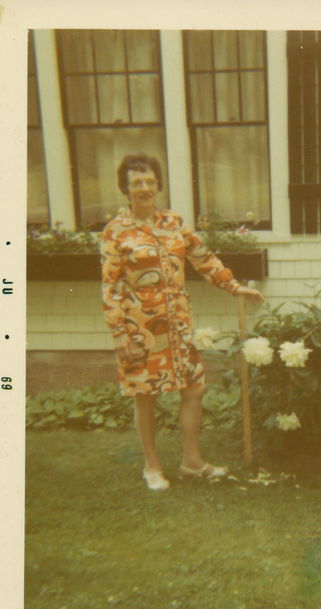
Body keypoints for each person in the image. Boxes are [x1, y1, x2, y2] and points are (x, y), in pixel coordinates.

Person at [100, 152, 264, 491]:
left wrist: (234, 286)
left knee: (195, 388)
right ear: (125, 189)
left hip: (177, 326)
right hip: (139, 329)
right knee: (146, 396)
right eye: (136, 183)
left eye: (149, 182)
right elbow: (110, 284)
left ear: (158, 185)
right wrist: (119, 332)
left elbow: (203, 258)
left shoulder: (173, 223)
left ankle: (191, 461)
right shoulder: (115, 231)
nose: (144, 188)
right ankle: (152, 466)